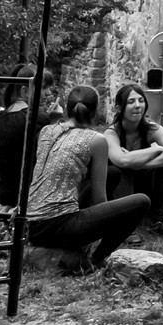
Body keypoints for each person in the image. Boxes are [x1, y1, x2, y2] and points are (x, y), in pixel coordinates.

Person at [26, 85, 149, 268]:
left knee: (113, 174)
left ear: (68, 108)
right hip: (58, 225)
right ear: (95, 111)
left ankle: (85, 250)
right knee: (142, 202)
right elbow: (100, 198)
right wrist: (111, 220)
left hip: (30, 225)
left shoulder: (46, 131)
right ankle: (95, 258)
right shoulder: (96, 140)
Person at [105, 83, 163, 228]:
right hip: (119, 192)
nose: (137, 106)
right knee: (119, 169)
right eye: (131, 101)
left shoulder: (151, 128)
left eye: (141, 101)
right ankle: (126, 225)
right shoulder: (111, 134)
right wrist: (155, 150)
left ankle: (158, 221)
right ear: (119, 108)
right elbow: (121, 160)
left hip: (143, 184)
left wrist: (141, 164)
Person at [0, 62, 55, 210]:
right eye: (44, 88)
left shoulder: (0, 119)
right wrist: (55, 121)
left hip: (4, 193)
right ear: (25, 92)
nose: (48, 94)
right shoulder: (35, 119)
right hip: (26, 195)